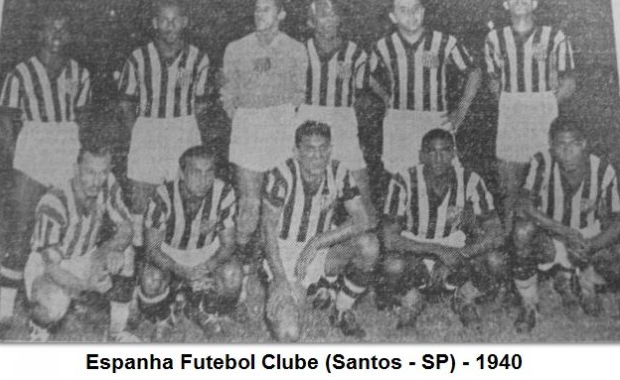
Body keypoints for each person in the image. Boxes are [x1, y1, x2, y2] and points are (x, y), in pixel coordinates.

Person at [0, 11, 92, 333]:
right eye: (51, 28)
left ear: (70, 35)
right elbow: (5, 117)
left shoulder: (79, 72)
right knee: (22, 228)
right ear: (39, 33)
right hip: (33, 145)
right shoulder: (20, 72)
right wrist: (16, 155)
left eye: (63, 29)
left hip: (66, 144)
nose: (57, 34)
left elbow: (83, 116)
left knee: (67, 225)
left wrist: (77, 155)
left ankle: (62, 298)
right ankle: (5, 310)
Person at [262, 120, 379, 341]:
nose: (317, 156)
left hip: (321, 249)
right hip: (285, 252)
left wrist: (317, 242)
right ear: (296, 152)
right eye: (309, 149)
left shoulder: (338, 171)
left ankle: (341, 308)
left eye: (323, 148)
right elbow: (267, 230)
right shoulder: (281, 175)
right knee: (288, 332)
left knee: (369, 245)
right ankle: (316, 291)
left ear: (330, 149)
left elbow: (362, 219)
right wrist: (279, 279)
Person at [381, 129, 505, 329]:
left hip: (455, 248)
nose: (438, 158)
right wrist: (437, 251)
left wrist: (462, 253)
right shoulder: (404, 180)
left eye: (445, 151)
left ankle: (464, 298)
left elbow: (496, 233)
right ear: (421, 155)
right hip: (415, 248)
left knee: (496, 260)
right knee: (392, 265)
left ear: (453, 153)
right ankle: (411, 300)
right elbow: (389, 238)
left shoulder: (470, 180)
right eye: (432, 151)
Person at [117, 0, 209, 253]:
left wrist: (189, 130)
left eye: (175, 20)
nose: (170, 26)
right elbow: (125, 102)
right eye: (164, 20)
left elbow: (202, 103)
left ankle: (176, 251)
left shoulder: (198, 58)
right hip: (148, 128)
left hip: (184, 128)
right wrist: (136, 134)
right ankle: (134, 258)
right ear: (155, 23)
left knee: (183, 192)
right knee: (141, 197)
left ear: (185, 22)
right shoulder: (138, 57)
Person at [512, 117, 620, 333]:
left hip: (585, 239)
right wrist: (564, 232)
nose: (567, 152)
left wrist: (593, 245)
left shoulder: (603, 170)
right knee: (522, 231)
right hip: (551, 236)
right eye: (561, 145)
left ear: (584, 143)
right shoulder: (541, 161)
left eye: (573, 144)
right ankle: (529, 303)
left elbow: (617, 221)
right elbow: (524, 206)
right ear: (551, 146)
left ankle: (585, 281)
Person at [484, 0, 576, 233]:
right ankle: (510, 239)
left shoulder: (555, 36)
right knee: (509, 182)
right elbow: (493, 80)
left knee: (547, 179)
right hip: (512, 110)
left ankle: (549, 238)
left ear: (534, 2)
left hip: (543, 109)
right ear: (506, 4)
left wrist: (546, 104)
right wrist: (509, 104)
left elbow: (569, 81)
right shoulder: (494, 38)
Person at [20, 146, 137, 342]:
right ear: (76, 169)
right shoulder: (54, 201)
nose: (97, 181)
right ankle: (38, 328)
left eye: (103, 172)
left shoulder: (108, 183)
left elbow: (127, 226)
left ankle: (117, 331)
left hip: (86, 255)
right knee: (51, 303)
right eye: (90, 172)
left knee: (126, 252)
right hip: (50, 266)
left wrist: (116, 249)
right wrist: (86, 286)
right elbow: (52, 268)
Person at [221, 0, 308, 255]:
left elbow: (300, 93)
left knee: (279, 200)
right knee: (249, 202)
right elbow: (227, 91)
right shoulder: (236, 48)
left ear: (281, 14)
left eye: (266, 9)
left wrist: (282, 119)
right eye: (257, 9)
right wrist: (242, 118)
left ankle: (271, 262)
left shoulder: (295, 48)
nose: (260, 14)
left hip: (281, 125)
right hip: (248, 124)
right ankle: (243, 261)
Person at [135, 146, 242, 340]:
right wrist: (179, 270)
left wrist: (208, 266)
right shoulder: (162, 196)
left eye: (209, 172)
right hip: (171, 253)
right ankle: (165, 316)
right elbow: (152, 250)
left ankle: (205, 309)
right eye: (195, 173)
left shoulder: (224, 192)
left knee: (232, 274)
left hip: (205, 253)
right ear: (182, 174)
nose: (203, 180)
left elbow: (228, 244)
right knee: (151, 279)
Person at [368, 0, 481, 175]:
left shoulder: (445, 41)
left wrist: (461, 110)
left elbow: (474, 72)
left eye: (415, 9)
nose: (411, 15)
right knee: (400, 176)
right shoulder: (382, 46)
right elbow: (365, 74)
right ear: (393, 17)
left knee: (445, 175)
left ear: (423, 11)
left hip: (435, 118)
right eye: (403, 10)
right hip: (399, 119)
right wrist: (385, 97)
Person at [299, 0, 375, 223]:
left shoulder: (356, 53)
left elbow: (362, 94)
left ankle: (368, 230)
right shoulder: (298, 50)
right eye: (323, 15)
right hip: (307, 116)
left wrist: (359, 133)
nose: (330, 20)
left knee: (360, 180)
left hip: (343, 118)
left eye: (333, 15)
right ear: (311, 22)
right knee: (305, 178)